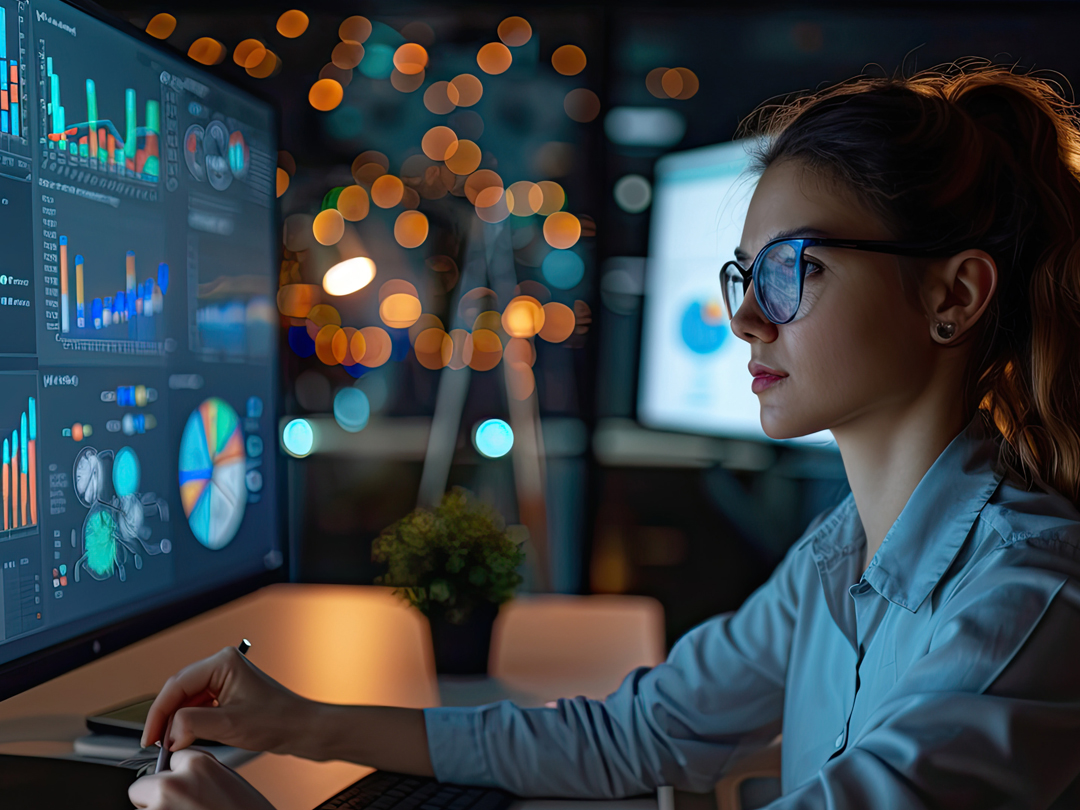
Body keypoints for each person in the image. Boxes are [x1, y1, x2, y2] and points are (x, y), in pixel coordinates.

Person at [130, 59, 1080, 809]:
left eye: (793, 269)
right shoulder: (837, 559)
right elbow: (635, 734)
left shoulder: (1025, 607)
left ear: (953, 295)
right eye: (743, 275)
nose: (748, 318)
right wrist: (305, 724)